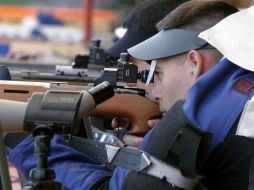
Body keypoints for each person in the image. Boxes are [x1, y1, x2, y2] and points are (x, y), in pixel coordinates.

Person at [9, 1, 253, 190]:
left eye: (156, 75)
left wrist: (24, 141)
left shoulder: (199, 117)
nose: (151, 91)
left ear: (194, 63)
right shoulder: (240, 90)